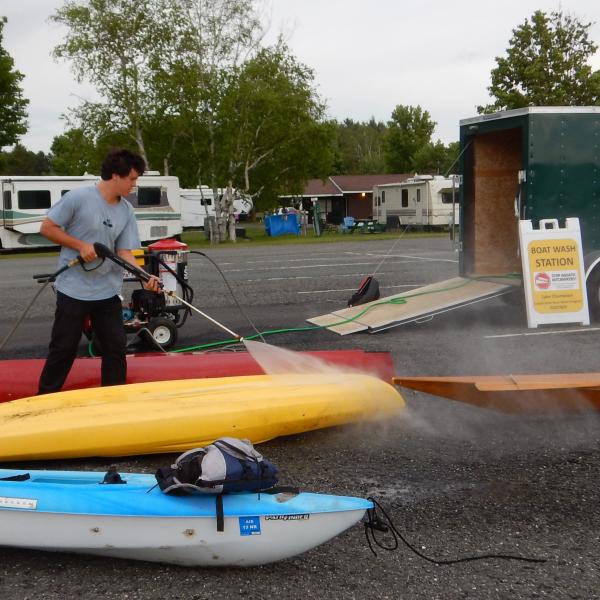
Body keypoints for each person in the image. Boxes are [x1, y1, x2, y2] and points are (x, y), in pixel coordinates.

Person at [37, 148, 160, 395]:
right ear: (115, 175)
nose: (134, 185)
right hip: (74, 290)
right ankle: (44, 399)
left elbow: (124, 252)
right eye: (132, 179)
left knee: (115, 348)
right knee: (64, 348)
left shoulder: (126, 210)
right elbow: (47, 228)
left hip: (107, 292)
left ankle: (112, 401)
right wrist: (80, 245)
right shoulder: (79, 197)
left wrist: (144, 276)